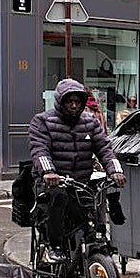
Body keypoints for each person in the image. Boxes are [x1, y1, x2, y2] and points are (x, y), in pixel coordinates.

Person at [28, 78, 125, 262]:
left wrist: (115, 171)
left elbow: (105, 149)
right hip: (53, 181)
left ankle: (95, 242)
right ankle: (55, 246)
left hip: (81, 181)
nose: (74, 105)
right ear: (60, 101)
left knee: (96, 204)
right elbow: (39, 150)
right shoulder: (42, 121)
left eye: (77, 101)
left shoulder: (90, 122)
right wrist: (49, 172)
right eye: (69, 101)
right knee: (58, 196)